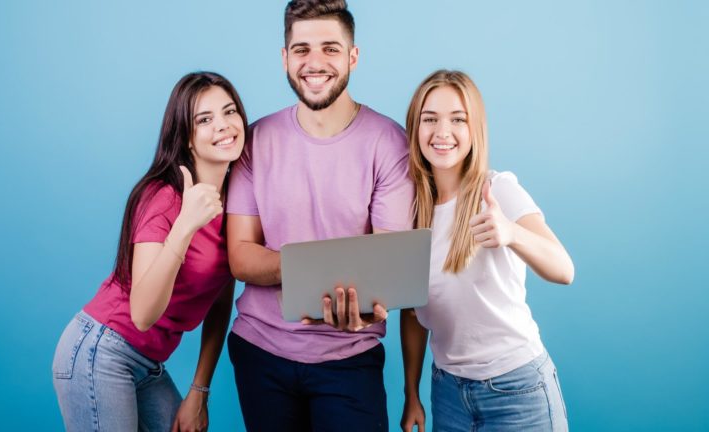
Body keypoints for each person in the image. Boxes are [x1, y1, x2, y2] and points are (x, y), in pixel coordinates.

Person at [225, 1, 414, 430]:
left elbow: (386, 267)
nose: (314, 63)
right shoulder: (255, 139)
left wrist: (362, 305)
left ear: (353, 56)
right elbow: (240, 256)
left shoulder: (389, 144)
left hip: (350, 357)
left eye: (330, 48)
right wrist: (327, 270)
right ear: (284, 57)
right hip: (260, 352)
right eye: (301, 49)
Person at [52, 71, 247, 432]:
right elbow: (142, 314)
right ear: (186, 138)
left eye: (229, 111)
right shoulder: (163, 197)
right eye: (204, 119)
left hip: (148, 364)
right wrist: (185, 225)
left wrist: (199, 391)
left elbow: (219, 301)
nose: (223, 126)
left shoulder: (235, 205)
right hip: (101, 351)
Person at [400, 70, 574, 432]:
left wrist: (511, 233)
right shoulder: (410, 210)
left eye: (457, 119)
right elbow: (415, 314)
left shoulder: (497, 190)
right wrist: (411, 393)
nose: (442, 132)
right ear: (415, 128)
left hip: (517, 390)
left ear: (474, 129)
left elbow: (564, 269)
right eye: (429, 119)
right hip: (447, 394)